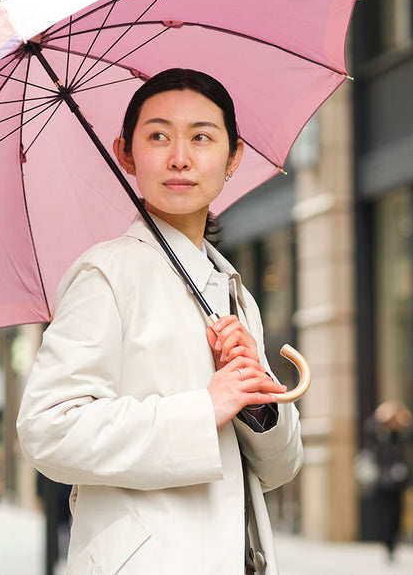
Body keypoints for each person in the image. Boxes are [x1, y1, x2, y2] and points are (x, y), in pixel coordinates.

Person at [17, 68, 304, 574]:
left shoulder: (234, 291)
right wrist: (204, 407)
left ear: (233, 156)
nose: (179, 157)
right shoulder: (106, 274)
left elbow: (280, 468)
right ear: (125, 153)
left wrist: (255, 401)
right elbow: (46, 429)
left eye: (201, 137)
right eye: (157, 136)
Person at [363, 400, 413, 561]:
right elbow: (368, 428)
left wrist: (403, 418)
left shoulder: (400, 434)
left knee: (396, 513)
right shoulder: (378, 431)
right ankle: (386, 542)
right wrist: (381, 417)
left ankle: (393, 541)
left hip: (397, 481)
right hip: (380, 480)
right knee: (382, 513)